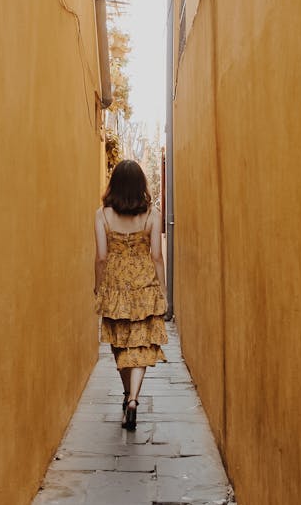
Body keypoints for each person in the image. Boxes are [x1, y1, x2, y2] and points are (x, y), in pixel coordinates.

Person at [92, 160, 168, 430]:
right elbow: (157, 257)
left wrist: (98, 286)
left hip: (115, 286)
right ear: (140, 185)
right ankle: (134, 398)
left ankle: (126, 395)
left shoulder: (102, 215)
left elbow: (101, 258)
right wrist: (163, 290)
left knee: (120, 343)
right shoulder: (152, 214)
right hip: (144, 286)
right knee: (140, 345)